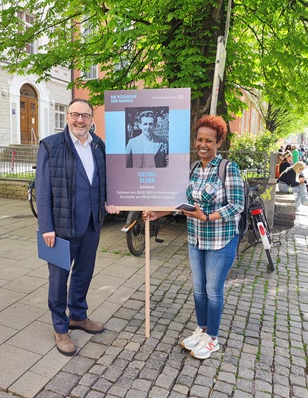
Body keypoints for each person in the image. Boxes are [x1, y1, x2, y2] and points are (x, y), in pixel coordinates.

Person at [143, 115, 244, 360]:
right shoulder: (192, 168)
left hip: (220, 241)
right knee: (198, 289)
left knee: (213, 290)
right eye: (199, 139)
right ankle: (201, 329)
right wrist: (158, 213)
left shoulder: (227, 168)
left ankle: (213, 338)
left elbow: (236, 205)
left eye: (209, 140)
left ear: (219, 142)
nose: (203, 144)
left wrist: (206, 217)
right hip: (196, 240)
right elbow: (184, 203)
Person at [35, 98, 119, 356]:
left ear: (92, 118)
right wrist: (46, 226)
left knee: (84, 272)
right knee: (59, 279)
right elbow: (43, 189)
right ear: (67, 117)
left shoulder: (98, 145)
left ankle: (78, 315)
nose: (80, 120)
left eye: (85, 115)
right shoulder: (50, 145)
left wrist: (111, 201)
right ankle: (61, 327)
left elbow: (103, 180)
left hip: (92, 223)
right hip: (60, 227)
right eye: (75, 115)